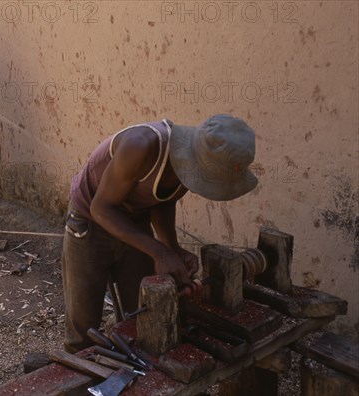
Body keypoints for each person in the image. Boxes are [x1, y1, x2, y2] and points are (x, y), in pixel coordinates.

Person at [61, 114, 258, 353]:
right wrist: (160, 252)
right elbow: (101, 209)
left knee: (144, 313)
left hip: (133, 221)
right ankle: (76, 381)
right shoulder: (141, 145)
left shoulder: (187, 168)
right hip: (90, 220)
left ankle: (136, 377)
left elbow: (162, 201)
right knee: (84, 326)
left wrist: (171, 248)